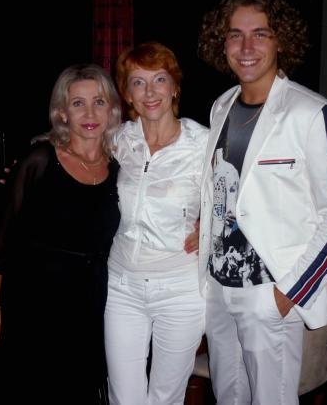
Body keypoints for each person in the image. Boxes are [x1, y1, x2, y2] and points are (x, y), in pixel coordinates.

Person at [197, 0, 327, 404]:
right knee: (227, 397)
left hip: (268, 292)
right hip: (218, 289)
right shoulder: (220, 107)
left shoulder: (311, 112)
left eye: (260, 34)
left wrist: (288, 293)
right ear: (222, 43)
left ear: (280, 41)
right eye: (235, 35)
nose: (246, 47)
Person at [0, 64, 122, 403]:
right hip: (36, 300)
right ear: (62, 113)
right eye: (78, 104)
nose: (90, 114)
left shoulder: (121, 166)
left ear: (111, 109)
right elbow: (1, 240)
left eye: (99, 102)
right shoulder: (40, 160)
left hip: (92, 301)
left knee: (81, 388)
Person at [104, 41, 208, 404]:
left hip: (180, 288)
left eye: (159, 79)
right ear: (127, 94)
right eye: (138, 82)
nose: (150, 92)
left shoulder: (203, 144)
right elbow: (74, 153)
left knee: (166, 397)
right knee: (124, 397)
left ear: (174, 86)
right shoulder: (119, 140)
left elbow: (241, 200)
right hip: (122, 285)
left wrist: (212, 229)